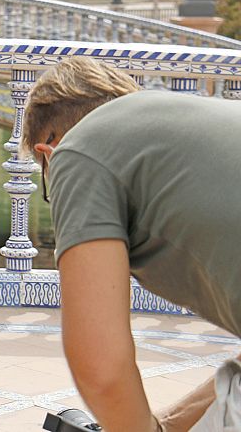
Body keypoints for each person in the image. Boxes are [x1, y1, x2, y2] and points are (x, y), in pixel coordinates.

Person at [22, 57, 241, 431]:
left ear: (48, 152)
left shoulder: (78, 149)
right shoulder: (194, 128)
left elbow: (101, 370)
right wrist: (166, 425)